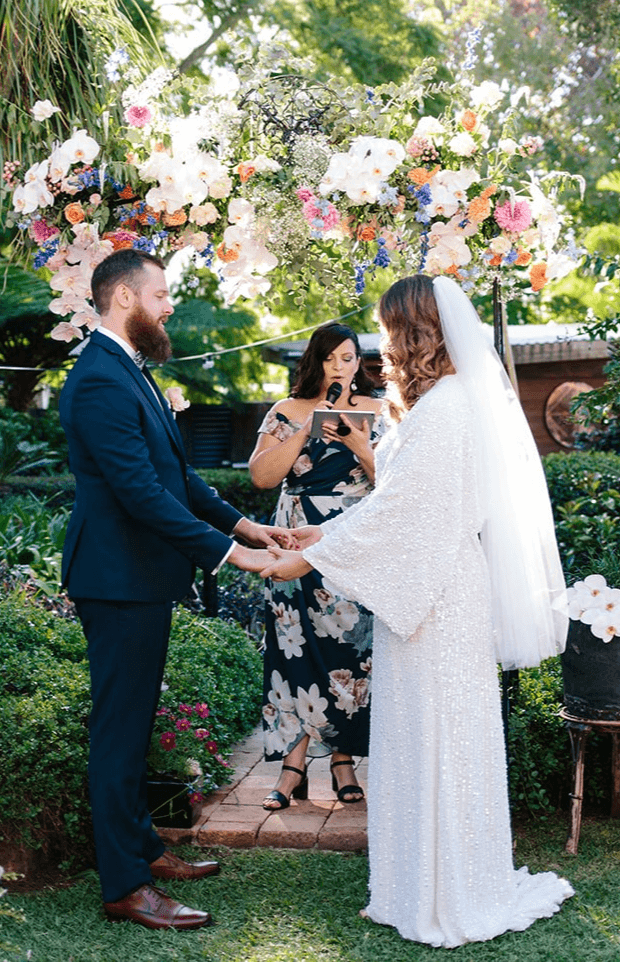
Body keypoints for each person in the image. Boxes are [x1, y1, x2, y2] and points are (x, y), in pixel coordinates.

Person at [259, 275, 574, 947]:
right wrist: (322, 535)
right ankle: (420, 882)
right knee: (425, 736)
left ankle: (449, 892)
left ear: (414, 331)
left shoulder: (450, 407)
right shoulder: (440, 404)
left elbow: (412, 515)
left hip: (439, 597)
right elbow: (394, 505)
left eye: (388, 329)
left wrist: (308, 558)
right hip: (428, 587)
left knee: (441, 738)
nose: (381, 346)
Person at [59, 249, 290, 931]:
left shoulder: (131, 370)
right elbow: (136, 494)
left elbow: (178, 479)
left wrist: (247, 527)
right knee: (118, 736)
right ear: (124, 299)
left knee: (132, 730)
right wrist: (229, 557)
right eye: (161, 296)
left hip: (139, 578)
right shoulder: (99, 379)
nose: (169, 308)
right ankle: (125, 887)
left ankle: (144, 851)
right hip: (117, 580)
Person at [249, 322, 385, 810]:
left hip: (351, 539)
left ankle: (343, 759)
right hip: (292, 536)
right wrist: (305, 429)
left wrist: (355, 442)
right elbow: (263, 476)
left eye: (348, 358)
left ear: (358, 363)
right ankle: (292, 766)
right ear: (316, 363)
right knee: (293, 649)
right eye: (330, 359)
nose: (340, 367)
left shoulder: (376, 411)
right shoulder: (286, 411)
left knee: (350, 646)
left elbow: (393, 484)